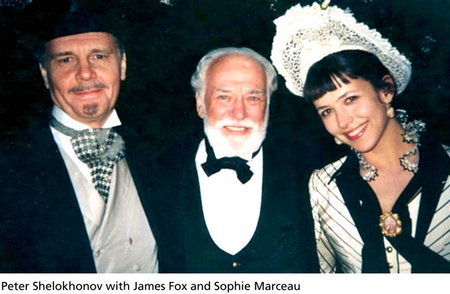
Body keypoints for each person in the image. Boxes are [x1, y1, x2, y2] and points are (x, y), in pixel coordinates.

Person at [271, 3, 450, 273]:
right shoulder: (322, 186)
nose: (343, 122)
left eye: (351, 99)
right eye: (327, 111)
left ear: (386, 90)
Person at [0, 9, 158, 273]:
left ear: (122, 66)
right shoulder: (9, 166)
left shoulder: (158, 150)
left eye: (99, 56)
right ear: (45, 74)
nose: (85, 73)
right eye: (65, 60)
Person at [149, 47, 321, 272]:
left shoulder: (307, 171)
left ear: (268, 105)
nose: (239, 114)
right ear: (200, 103)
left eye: (253, 97)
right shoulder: (158, 173)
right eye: (224, 96)